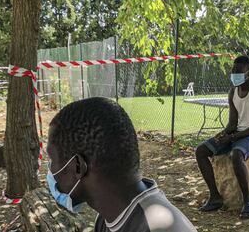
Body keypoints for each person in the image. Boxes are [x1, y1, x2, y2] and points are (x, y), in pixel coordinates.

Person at [46, 97, 197, 232]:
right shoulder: (108, 218)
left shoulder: (158, 227)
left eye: (52, 159)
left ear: (78, 166)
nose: (50, 170)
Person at [195, 56, 249, 218]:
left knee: (236, 154)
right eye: (233, 70)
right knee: (201, 151)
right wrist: (222, 135)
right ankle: (215, 197)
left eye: (238, 71)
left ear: (248, 72)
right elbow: (232, 124)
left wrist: (233, 137)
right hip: (237, 134)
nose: (234, 73)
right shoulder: (233, 92)